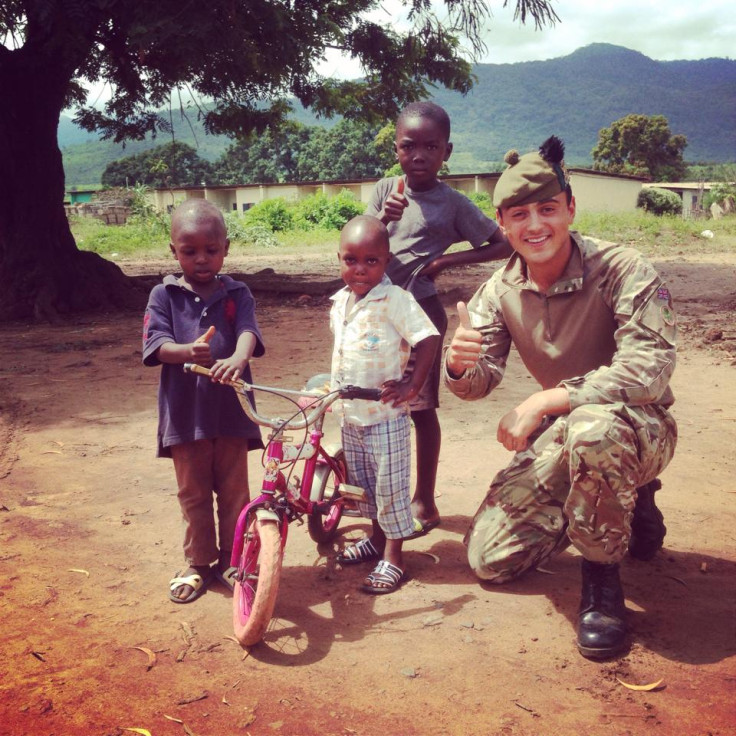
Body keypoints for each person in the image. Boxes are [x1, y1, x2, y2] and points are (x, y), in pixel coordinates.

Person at [444, 136, 677, 658]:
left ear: (570, 208)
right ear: (501, 223)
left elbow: (649, 370)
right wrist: (459, 364)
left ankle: (601, 584)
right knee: (489, 559)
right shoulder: (498, 291)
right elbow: (479, 381)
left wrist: (546, 401)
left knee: (595, 428)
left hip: (642, 428)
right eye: (519, 214)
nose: (535, 226)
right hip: (573, 435)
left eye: (548, 209)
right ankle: (614, 503)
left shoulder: (623, 269)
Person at [364, 101, 512, 538]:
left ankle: (424, 502)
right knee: (374, 403)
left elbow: (500, 245)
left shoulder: (453, 204)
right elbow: (359, 240)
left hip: (420, 318)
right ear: (397, 149)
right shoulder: (384, 190)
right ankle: (378, 501)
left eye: (432, 146)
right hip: (375, 314)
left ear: (447, 150)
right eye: (410, 146)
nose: (420, 155)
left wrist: (445, 262)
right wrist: (380, 219)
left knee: (419, 409)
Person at [142, 199, 265, 604]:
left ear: (226, 248)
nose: (201, 258)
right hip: (185, 415)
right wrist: (185, 351)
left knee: (235, 493)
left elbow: (248, 330)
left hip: (232, 411)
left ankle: (232, 562)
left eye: (211, 250)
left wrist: (237, 358)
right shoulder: (164, 294)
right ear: (173, 250)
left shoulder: (237, 291)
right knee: (193, 493)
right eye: (189, 250)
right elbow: (156, 345)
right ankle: (198, 564)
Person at [331, 216, 440, 594]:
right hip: (352, 417)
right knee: (364, 488)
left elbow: (428, 339)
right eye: (351, 260)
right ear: (339, 259)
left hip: (386, 417)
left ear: (387, 260)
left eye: (371, 261)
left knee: (391, 489)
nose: (360, 269)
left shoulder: (396, 300)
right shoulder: (340, 302)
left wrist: (412, 383)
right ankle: (376, 541)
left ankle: (394, 556)